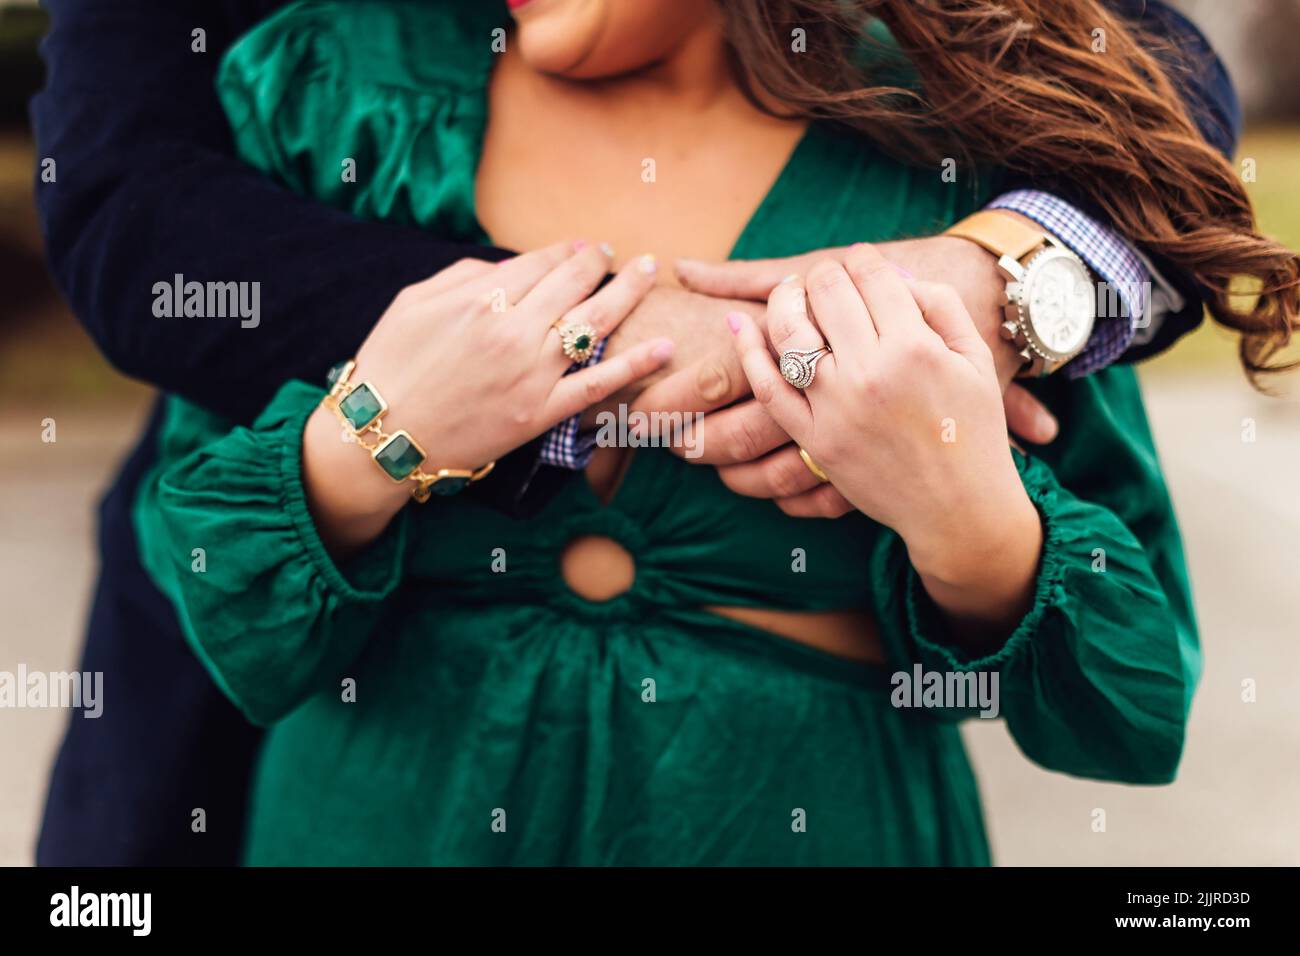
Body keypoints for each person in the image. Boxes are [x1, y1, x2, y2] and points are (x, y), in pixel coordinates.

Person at [31, 0, 1242, 864]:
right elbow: (215, 589)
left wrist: (963, 511)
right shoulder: (332, 86)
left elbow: (1127, 703)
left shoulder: (967, 156)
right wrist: (383, 434)